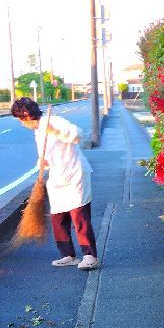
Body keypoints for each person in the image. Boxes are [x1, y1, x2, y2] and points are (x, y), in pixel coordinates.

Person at [11, 97, 99, 270]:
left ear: (26, 115)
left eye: (20, 120)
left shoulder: (53, 121)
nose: (22, 124)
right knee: (58, 218)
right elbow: (52, 154)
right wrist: (43, 162)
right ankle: (68, 254)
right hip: (57, 178)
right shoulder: (38, 130)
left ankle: (90, 255)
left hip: (74, 175)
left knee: (79, 216)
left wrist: (56, 131)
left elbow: (77, 135)